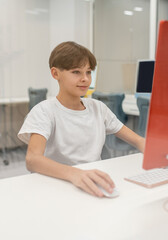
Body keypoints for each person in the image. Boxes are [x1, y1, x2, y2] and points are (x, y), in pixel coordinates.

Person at [18, 41, 145, 197]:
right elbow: (32, 160)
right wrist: (75, 173)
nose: (85, 78)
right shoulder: (44, 111)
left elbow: (138, 141)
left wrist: (159, 154)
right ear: (55, 73)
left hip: (93, 181)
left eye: (88, 72)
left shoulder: (98, 108)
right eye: (76, 72)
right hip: (59, 183)